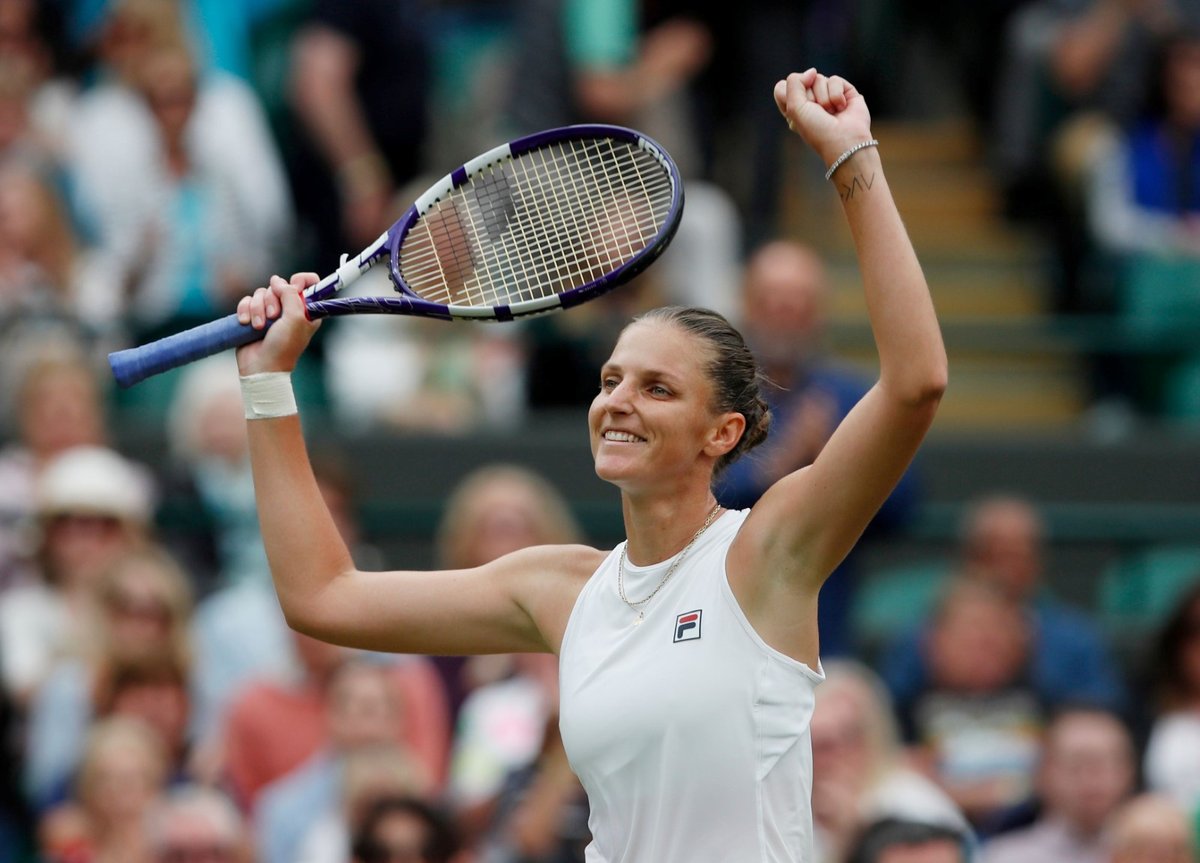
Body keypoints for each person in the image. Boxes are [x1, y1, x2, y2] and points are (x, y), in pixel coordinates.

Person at [232, 68, 948, 861]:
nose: (618, 401)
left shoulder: (769, 550)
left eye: (657, 387)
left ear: (723, 431)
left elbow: (914, 384)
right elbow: (323, 596)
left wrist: (853, 158)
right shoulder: (557, 591)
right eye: (610, 380)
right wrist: (267, 382)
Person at [981, 706, 1136, 863]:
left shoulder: (1152, 852)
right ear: (1042, 773)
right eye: (1077, 765)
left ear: (1130, 771)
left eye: (1104, 765)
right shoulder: (1004, 856)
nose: (1091, 778)